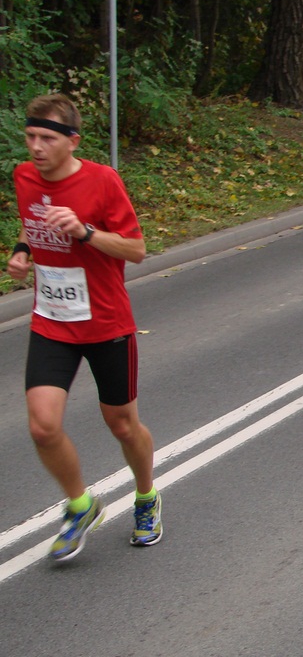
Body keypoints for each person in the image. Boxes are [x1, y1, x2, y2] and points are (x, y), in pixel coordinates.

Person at [9, 93, 161, 561]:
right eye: (31, 136)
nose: (36, 146)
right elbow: (31, 223)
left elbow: (136, 250)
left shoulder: (101, 181)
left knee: (122, 425)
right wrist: (22, 252)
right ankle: (80, 505)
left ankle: (146, 497)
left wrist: (86, 232)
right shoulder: (24, 177)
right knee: (42, 426)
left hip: (105, 322)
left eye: (47, 138)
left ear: (72, 141)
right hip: (52, 319)